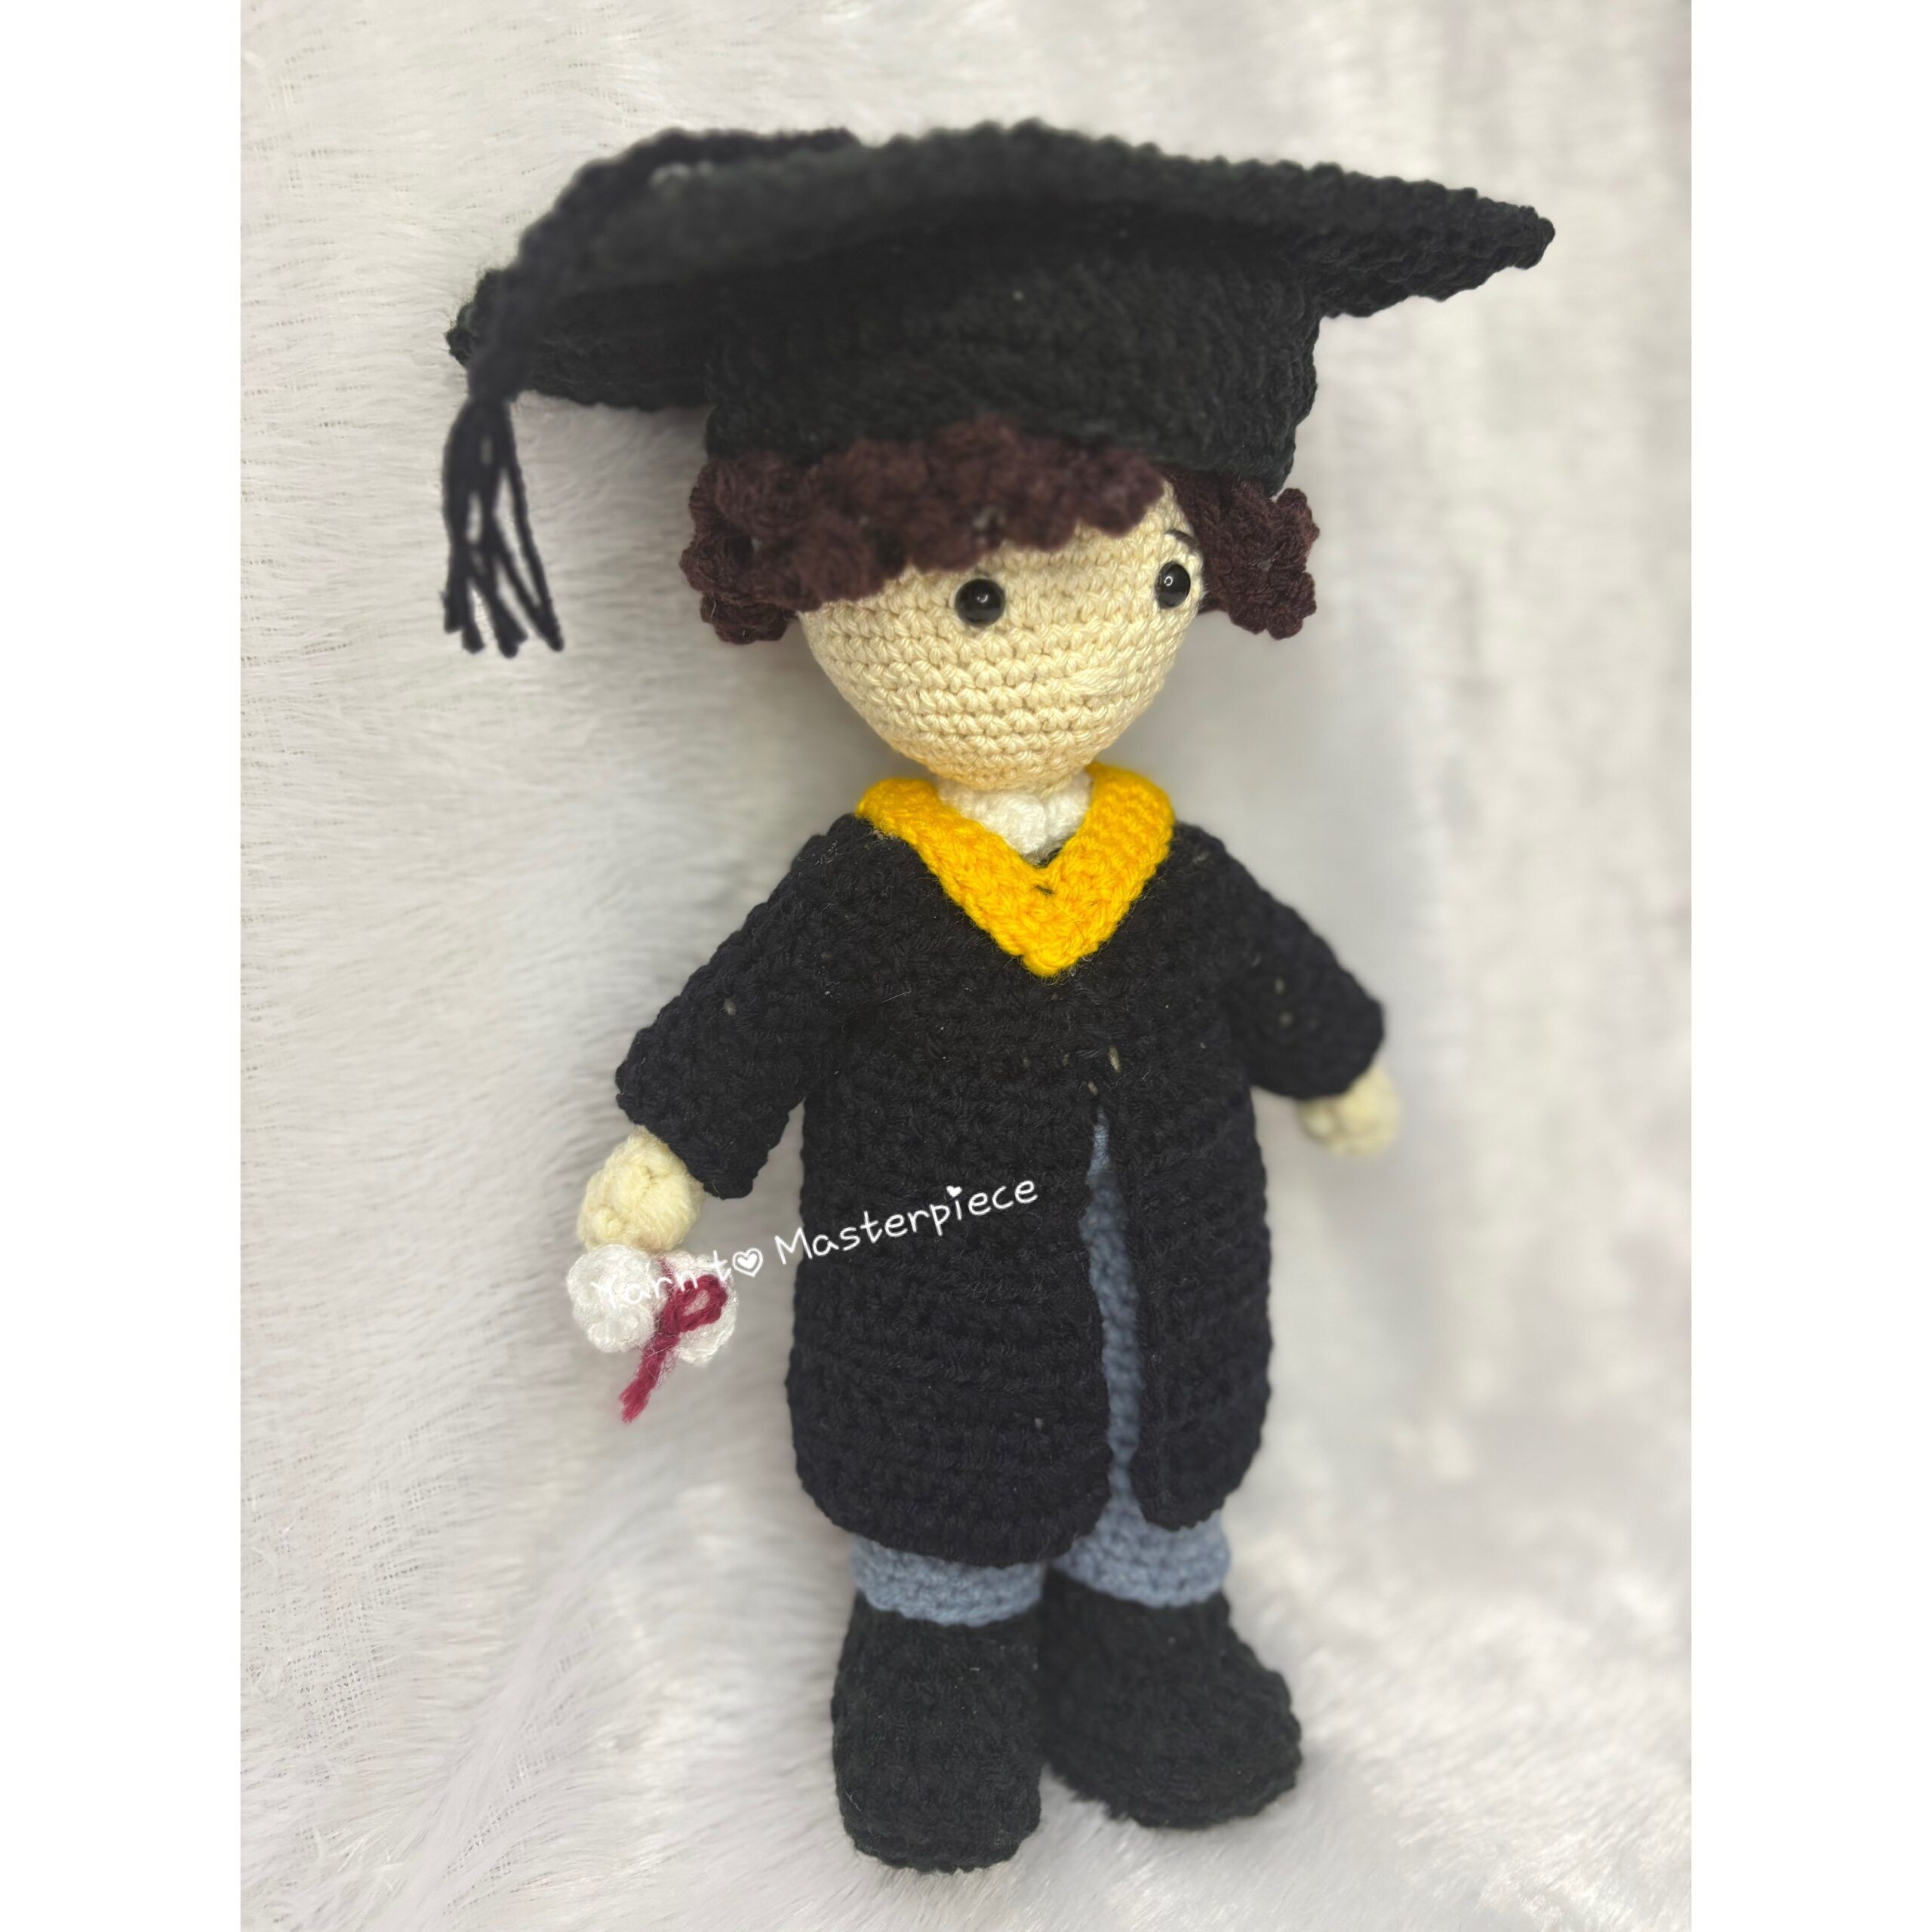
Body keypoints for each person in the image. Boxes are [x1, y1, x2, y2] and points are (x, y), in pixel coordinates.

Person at [442, 122, 1552, 1871]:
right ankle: (935, 1686)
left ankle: (1148, 1643)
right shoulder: (870, 889)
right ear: (823, 580)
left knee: (1157, 1497)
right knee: (940, 1526)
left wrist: (1332, 1058)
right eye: (978, 596)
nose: (1080, 643)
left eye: (1159, 577)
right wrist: (668, 1159)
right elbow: (750, 1023)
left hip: (1174, 1303)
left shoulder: (1159, 860)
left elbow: (1272, 970)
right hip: (932, 1323)